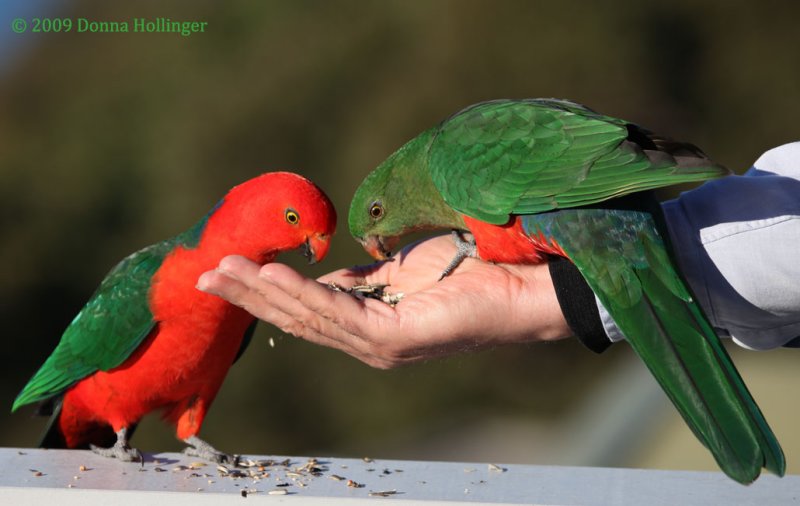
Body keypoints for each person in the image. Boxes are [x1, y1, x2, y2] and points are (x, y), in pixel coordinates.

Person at [196, 142, 800, 367]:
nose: (376, 246)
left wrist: (539, 295)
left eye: (375, 221)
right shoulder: (447, 178)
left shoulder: (458, 168)